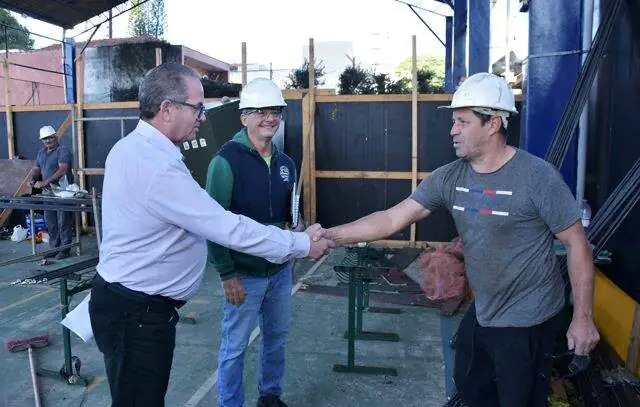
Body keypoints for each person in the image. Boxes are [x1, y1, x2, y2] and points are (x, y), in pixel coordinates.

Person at [314, 72, 600, 406]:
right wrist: (332, 236)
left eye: (462, 122)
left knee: (518, 398)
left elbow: (577, 243)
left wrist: (582, 318)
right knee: (469, 384)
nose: (452, 131)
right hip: (485, 310)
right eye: (454, 122)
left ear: (493, 124)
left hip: (528, 319)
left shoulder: (537, 178)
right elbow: (393, 218)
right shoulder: (450, 177)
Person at [88, 63, 333, 407]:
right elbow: (225, 226)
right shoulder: (161, 166)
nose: (202, 117)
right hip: (138, 313)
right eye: (198, 107)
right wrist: (301, 243)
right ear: (168, 108)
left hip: (132, 305)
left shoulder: (133, 149)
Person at [206, 78, 299, 407]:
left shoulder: (287, 164)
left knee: (276, 340)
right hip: (242, 275)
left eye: (275, 111)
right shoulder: (225, 162)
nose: (270, 118)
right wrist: (227, 273)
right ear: (243, 116)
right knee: (234, 347)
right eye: (260, 111)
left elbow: (289, 218)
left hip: (279, 271)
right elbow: (213, 224)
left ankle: (270, 396)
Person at [31, 125, 74, 259]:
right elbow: (36, 169)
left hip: (63, 191)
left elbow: (63, 170)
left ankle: (65, 249)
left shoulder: (63, 151)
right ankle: (55, 247)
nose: (48, 141)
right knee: (51, 222)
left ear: (55, 137)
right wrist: (33, 180)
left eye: (50, 137)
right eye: (45, 139)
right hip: (48, 193)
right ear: (42, 140)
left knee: (63, 221)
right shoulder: (41, 153)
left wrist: (45, 182)